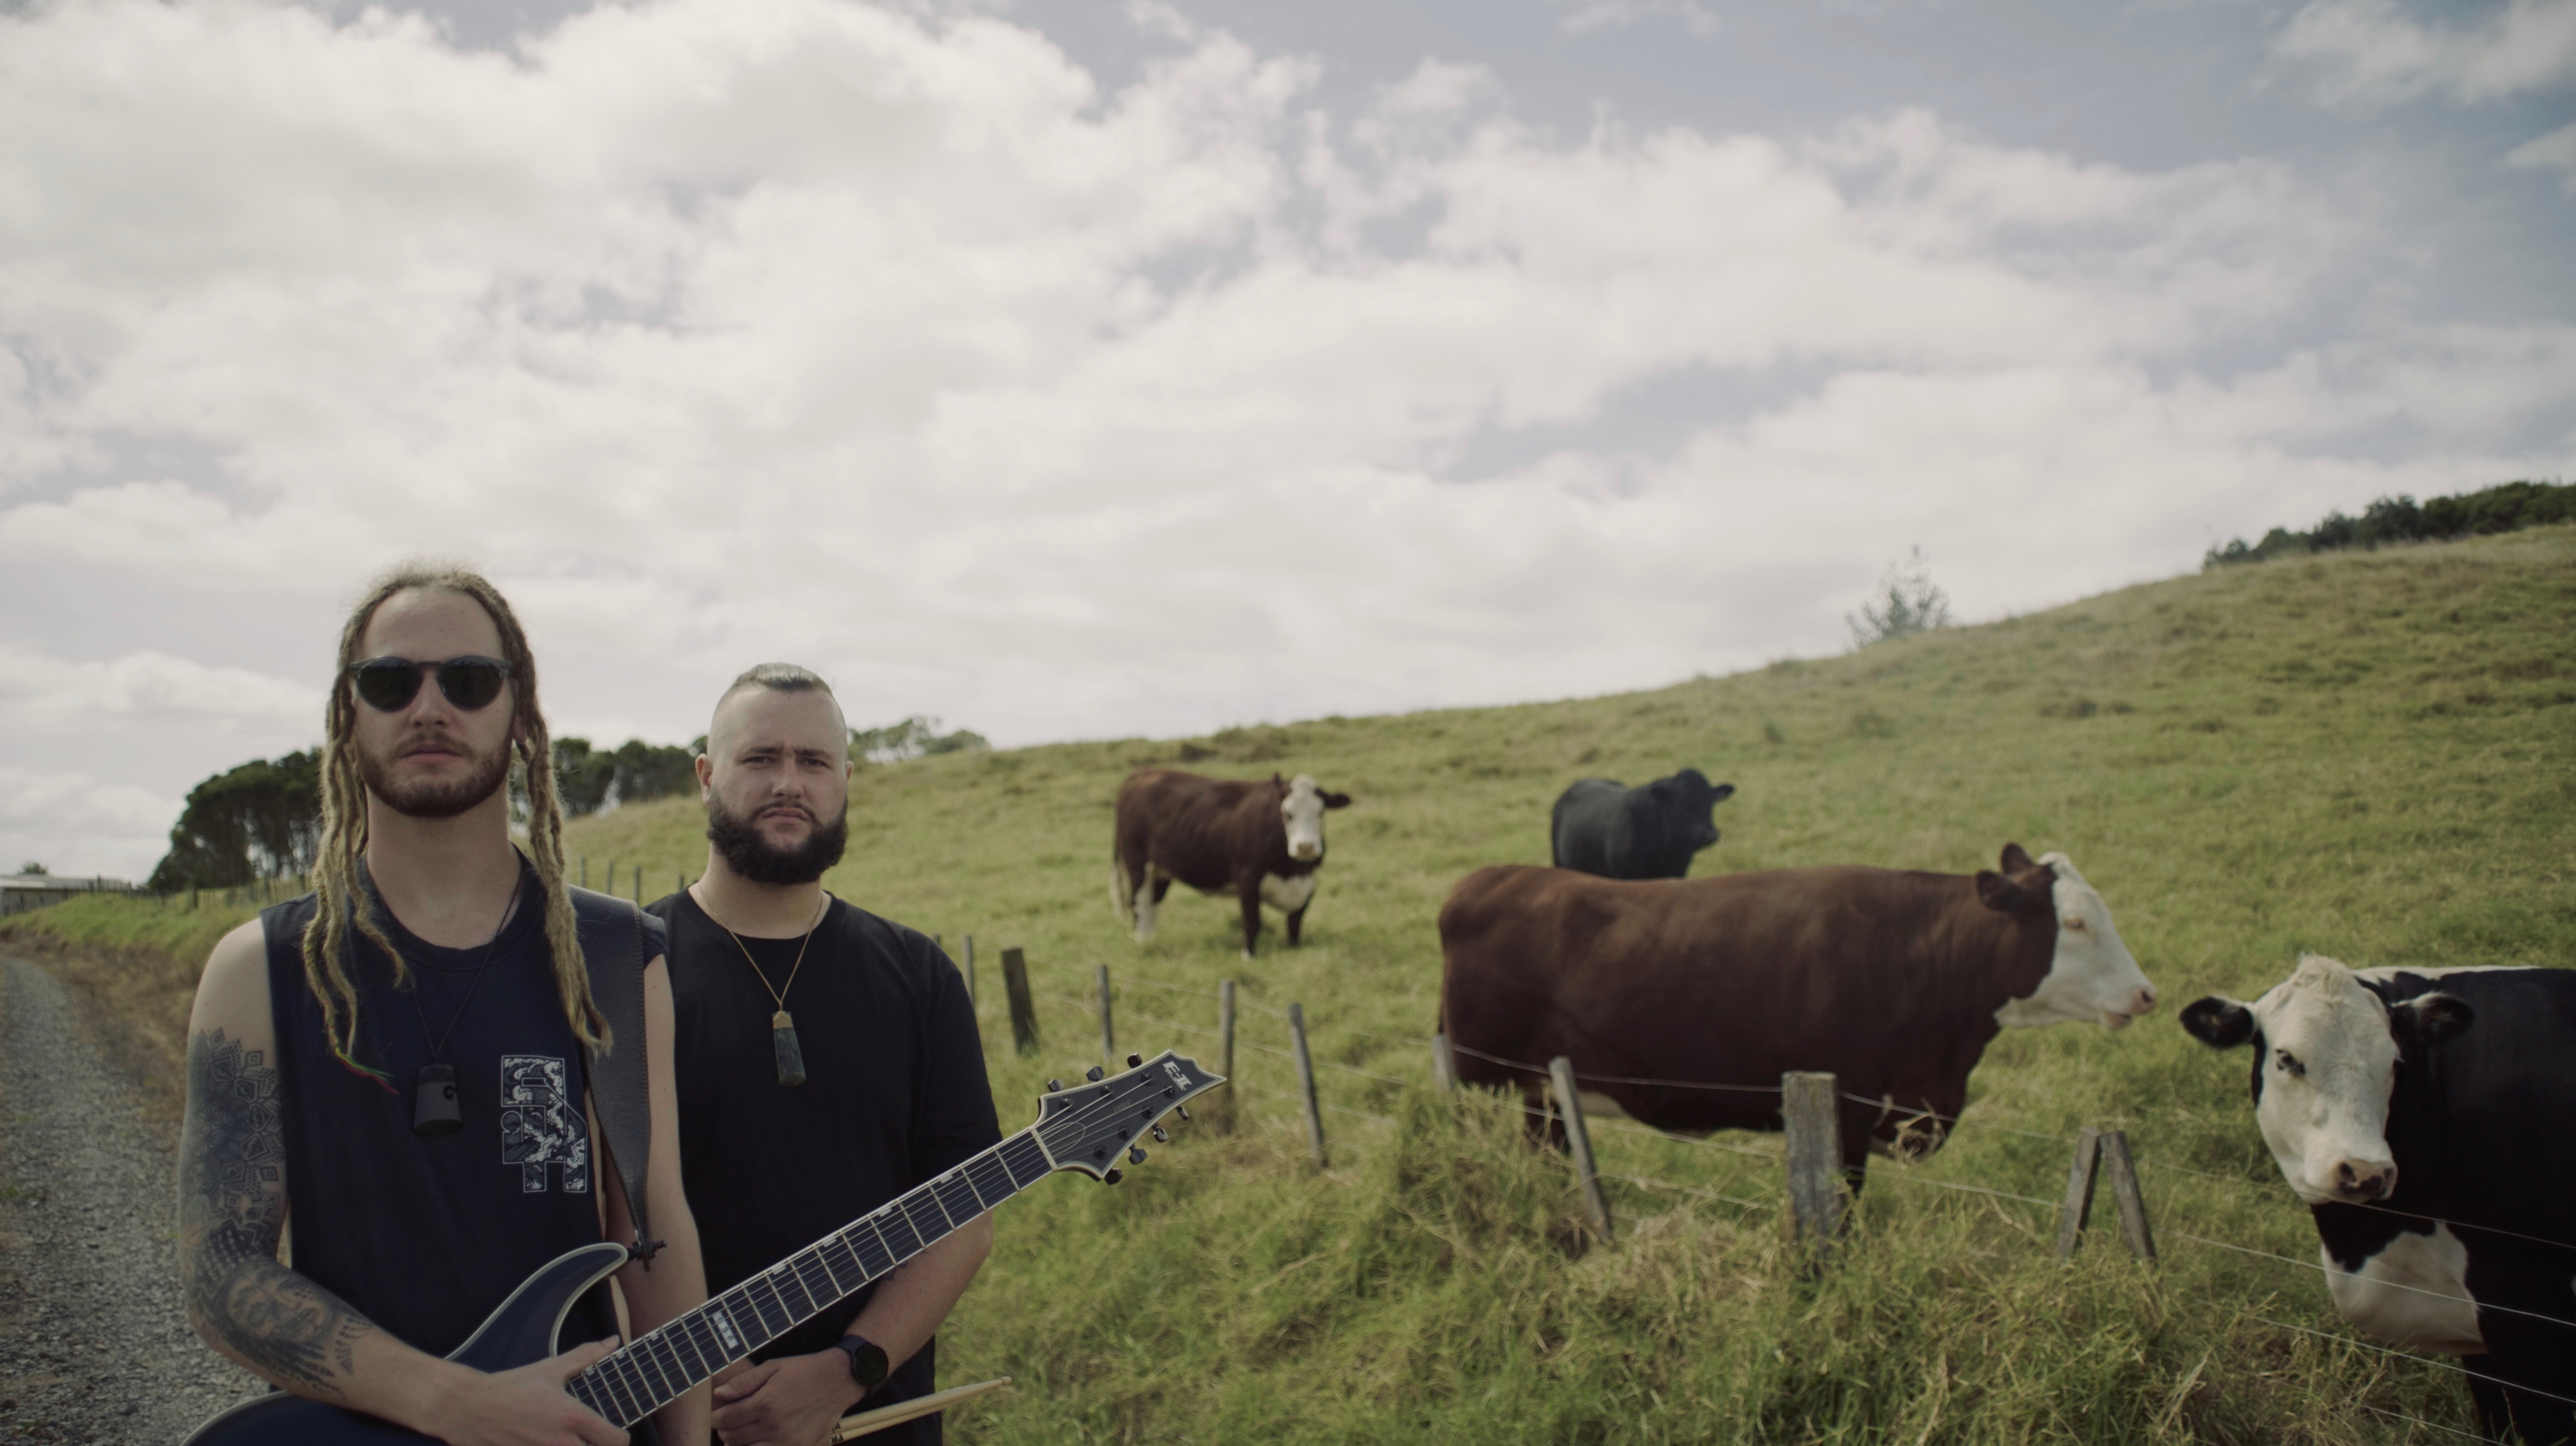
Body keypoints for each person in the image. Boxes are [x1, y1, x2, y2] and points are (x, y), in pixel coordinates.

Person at [177, 565, 708, 1446]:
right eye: (390, 682)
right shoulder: (260, 969)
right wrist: (453, 1403)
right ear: (349, 715)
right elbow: (221, 1271)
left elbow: (655, 1232)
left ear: (521, 713)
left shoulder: (616, 955)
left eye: (468, 680)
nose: (430, 708)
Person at [648, 664, 998, 1446]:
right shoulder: (628, 969)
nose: (789, 783)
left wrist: (845, 1373)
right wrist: (704, 1388)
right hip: (677, 1418)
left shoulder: (919, 975)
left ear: (845, 780)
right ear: (706, 777)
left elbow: (965, 1219)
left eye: (813, 762)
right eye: (760, 759)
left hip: (873, 1419)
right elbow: (594, 1220)